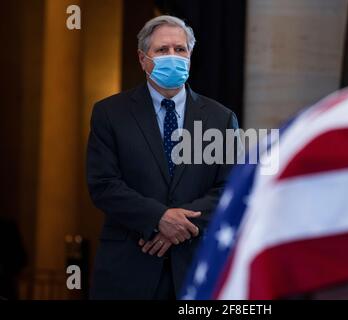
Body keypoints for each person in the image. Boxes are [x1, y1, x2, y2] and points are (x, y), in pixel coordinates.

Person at [86, 15, 239, 299]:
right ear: (143, 59)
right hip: (128, 268)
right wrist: (159, 217)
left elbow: (229, 189)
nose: (173, 56)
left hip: (196, 268)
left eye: (180, 49)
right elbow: (103, 184)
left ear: (191, 56)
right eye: (162, 50)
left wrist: (178, 226)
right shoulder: (110, 114)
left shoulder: (222, 118)